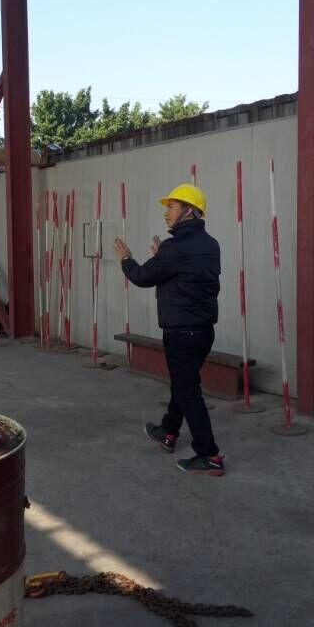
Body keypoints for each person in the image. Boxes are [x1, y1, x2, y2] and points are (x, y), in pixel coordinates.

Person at [113, 184, 224, 477]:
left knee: (188, 391)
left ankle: (210, 455)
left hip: (180, 332)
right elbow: (185, 276)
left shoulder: (174, 248)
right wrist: (162, 257)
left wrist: (126, 259)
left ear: (189, 211)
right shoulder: (211, 244)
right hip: (204, 331)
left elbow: (142, 276)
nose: (166, 213)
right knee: (183, 384)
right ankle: (168, 431)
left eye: (171, 207)